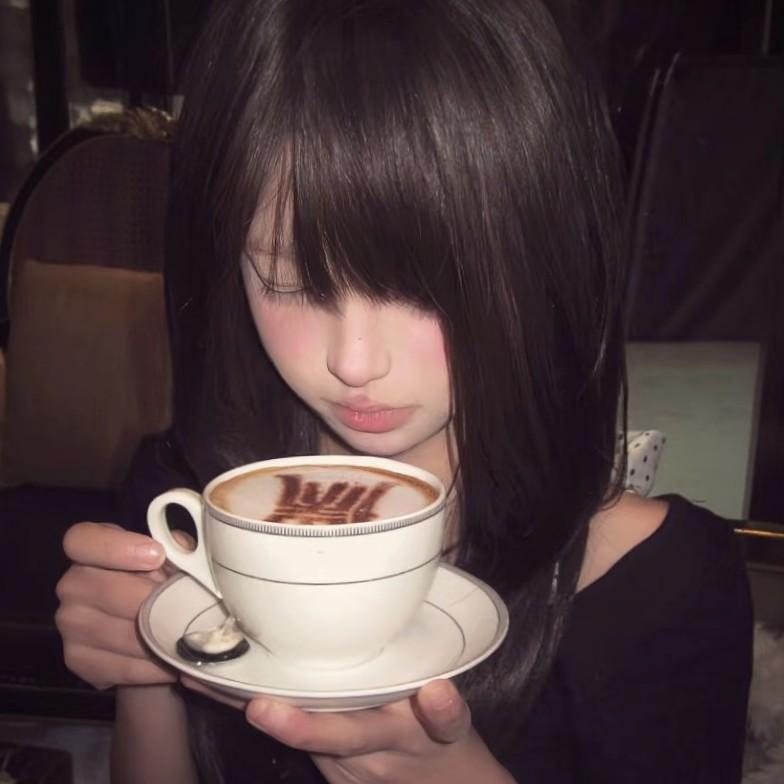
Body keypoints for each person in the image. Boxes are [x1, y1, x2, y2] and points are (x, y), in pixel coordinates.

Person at [54, 1, 753, 782]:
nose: (353, 361)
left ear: (543, 257)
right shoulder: (192, 500)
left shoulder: (663, 586)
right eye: (289, 281)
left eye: (425, 289)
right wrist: (150, 665)